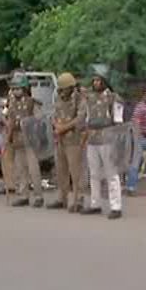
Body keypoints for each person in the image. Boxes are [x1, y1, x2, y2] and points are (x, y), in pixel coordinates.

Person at [80, 67, 125, 219]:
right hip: (92, 139)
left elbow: (118, 122)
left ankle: (116, 206)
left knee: (111, 173)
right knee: (94, 174)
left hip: (108, 139)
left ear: (105, 82)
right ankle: (95, 203)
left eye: (99, 80)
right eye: (94, 80)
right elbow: (86, 119)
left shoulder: (114, 98)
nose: (96, 83)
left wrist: (117, 143)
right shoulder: (88, 98)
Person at [48, 73, 87, 212]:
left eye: (65, 88)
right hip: (60, 139)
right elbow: (53, 113)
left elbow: (80, 118)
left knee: (76, 172)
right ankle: (62, 198)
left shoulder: (79, 99)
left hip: (74, 139)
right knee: (61, 170)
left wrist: (64, 127)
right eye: (61, 88)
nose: (62, 91)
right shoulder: (59, 97)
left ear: (71, 87)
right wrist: (56, 125)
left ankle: (79, 199)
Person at [4, 74, 44, 207]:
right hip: (17, 139)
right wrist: (8, 136)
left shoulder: (32, 102)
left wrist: (26, 122)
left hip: (30, 140)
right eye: (14, 89)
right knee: (20, 169)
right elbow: (9, 120)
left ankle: (38, 196)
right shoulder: (11, 103)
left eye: (18, 88)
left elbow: (39, 119)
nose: (16, 91)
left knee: (33, 169)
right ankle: (24, 195)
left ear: (24, 88)